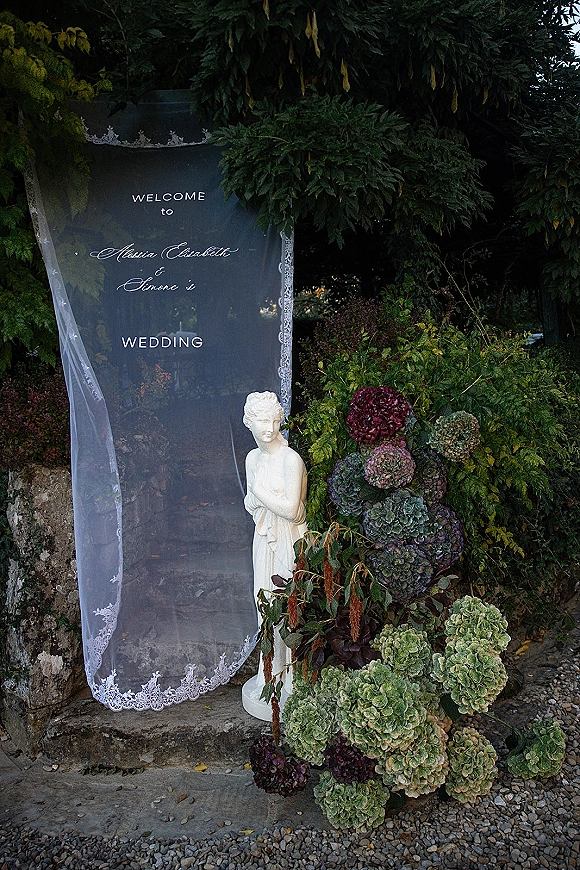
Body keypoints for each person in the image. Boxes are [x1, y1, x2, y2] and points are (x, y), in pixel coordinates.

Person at [241, 391, 307, 720]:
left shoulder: (290, 460)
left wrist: (260, 494)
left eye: (273, 420)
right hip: (263, 537)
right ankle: (268, 673)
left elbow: (293, 511)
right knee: (262, 602)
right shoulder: (253, 459)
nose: (268, 428)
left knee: (287, 604)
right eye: (261, 421)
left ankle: (291, 676)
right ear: (249, 423)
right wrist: (257, 499)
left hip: (288, 539)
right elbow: (249, 505)